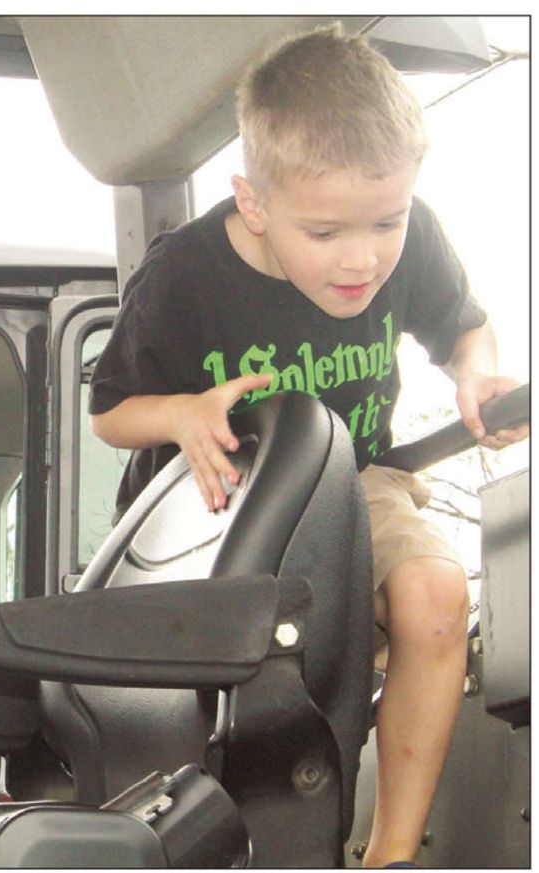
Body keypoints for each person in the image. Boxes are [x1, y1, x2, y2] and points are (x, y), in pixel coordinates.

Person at [88, 24, 527, 868]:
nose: (362, 259)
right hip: (215, 501)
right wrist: (181, 414)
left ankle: (390, 853)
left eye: (386, 222)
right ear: (254, 200)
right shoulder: (184, 275)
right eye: (325, 233)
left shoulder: (412, 241)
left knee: (437, 595)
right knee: (213, 691)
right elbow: (112, 411)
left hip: (354, 482)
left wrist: (479, 378)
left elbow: (467, 330)